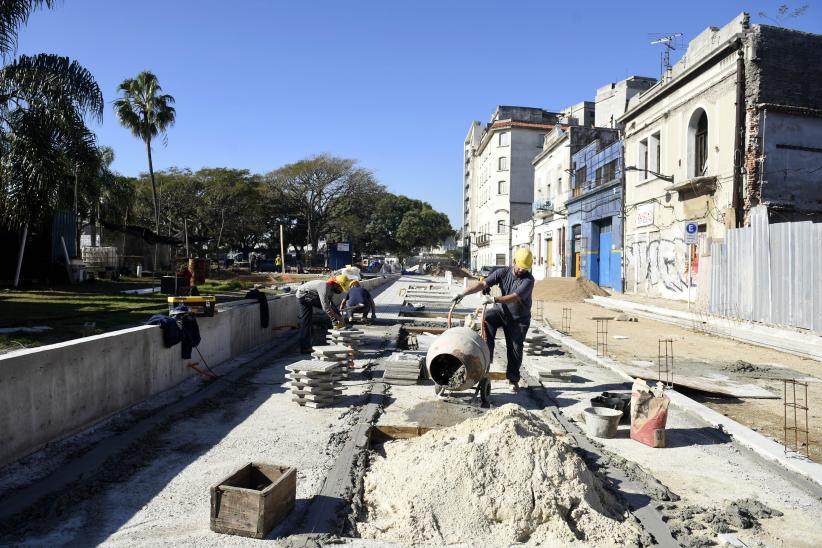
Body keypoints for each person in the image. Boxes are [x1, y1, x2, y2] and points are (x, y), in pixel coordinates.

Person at [451, 247, 534, 391]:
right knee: (488, 318)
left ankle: (513, 379)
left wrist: (494, 298)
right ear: (514, 262)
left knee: (514, 348)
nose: (522, 271)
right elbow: (483, 284)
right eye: (520, 267)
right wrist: (463, 293)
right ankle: (486, 363)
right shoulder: (503, 272)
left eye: (525, 268)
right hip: (502, 312)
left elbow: (515, 297)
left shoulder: (528, 280)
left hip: (519, 319)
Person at [295, 274, 351, 353]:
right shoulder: (324, 286)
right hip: (303, 296)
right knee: (306, 322)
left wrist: (336, 318)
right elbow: (326, 307)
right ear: (335, 284)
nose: (341, 290)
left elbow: (331, 304)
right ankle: (304, 348)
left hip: (310, 295)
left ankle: (338, 324)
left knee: (331, 308)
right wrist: (337, 318)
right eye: (340, 288)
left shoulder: (331, 290)